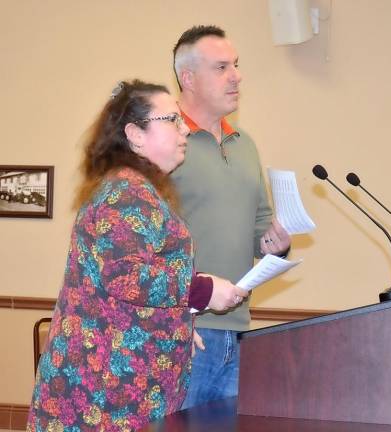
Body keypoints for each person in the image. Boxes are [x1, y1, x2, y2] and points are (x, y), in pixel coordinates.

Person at [26, 80, 248, 432]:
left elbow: (131, 285)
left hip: (119, 387)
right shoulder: (126, 191)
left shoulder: (137, 188)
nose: (184, 131)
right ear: (135, 134)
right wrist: (203, 291)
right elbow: (127, 277)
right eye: (171, 120)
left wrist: (176, 320)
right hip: (103, 393)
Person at [172, 26, 292, 409]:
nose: (236, 76)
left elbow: (261, 225)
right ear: (188, 78)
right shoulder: (165, 145)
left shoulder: (245, 144)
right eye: (221, 67)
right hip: (184, 332)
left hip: (239, 331)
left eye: (236, 65)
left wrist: (276, 244)